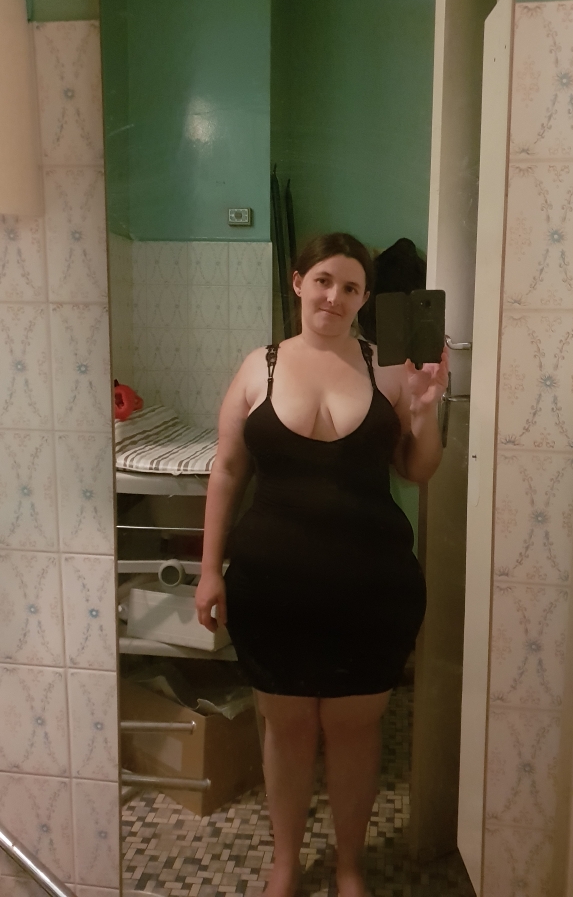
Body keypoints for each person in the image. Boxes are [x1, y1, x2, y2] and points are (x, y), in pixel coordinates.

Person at [195, 232, 447, 897]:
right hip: (270, 585)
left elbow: (417, 470)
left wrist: (426, 413)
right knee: (286, 729)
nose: (335, 296)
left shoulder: (386, 370)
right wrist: (209, 569)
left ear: (365, 299)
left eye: (351, 287)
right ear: (298, 283)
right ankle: (285, 863)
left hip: (371, 588)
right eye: (324, 281)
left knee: (354, 730)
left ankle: (348, 867)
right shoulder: (258, 368)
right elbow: (226, 471)